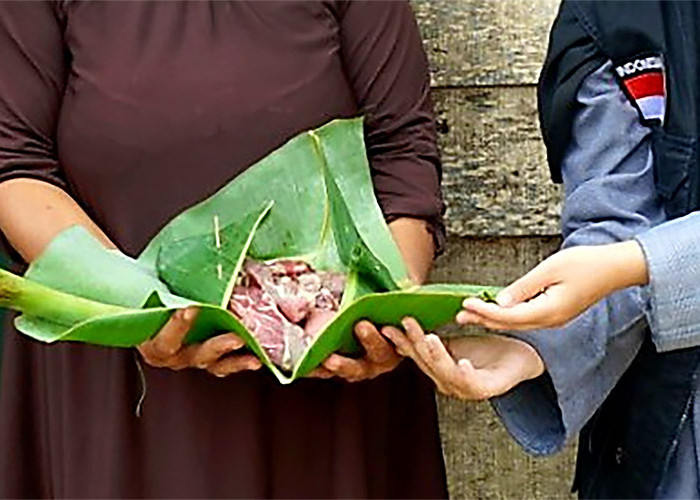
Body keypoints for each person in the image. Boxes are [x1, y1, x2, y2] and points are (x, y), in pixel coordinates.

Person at [0, 1, 448, 497]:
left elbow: (402, 148)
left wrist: (385, 311)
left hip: (324, 380)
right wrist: (139, 309)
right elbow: (14, 164)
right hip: (120, 385)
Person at [383, 1, 700, 498]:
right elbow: (614, 219)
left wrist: (634, 263)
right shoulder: (611, 16)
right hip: (674, 445)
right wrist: (535, 347)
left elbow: (625, 260)